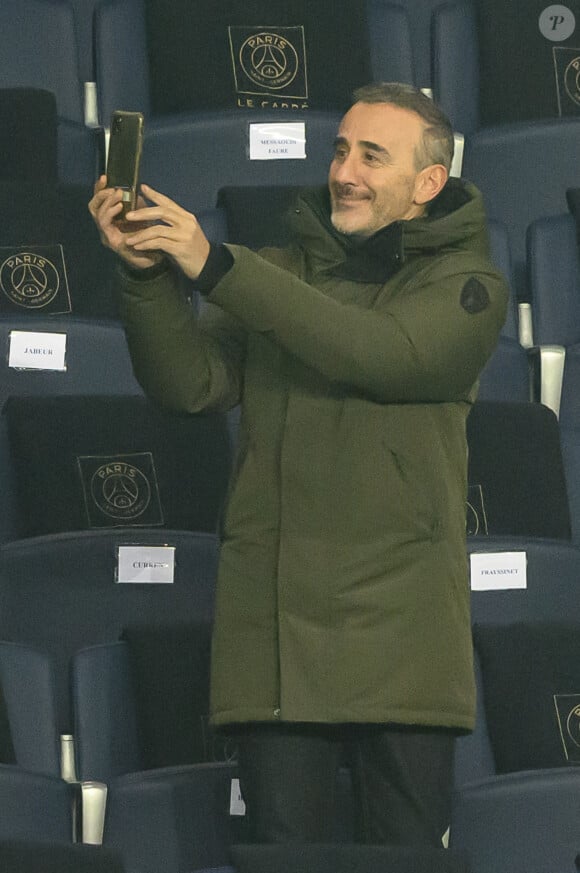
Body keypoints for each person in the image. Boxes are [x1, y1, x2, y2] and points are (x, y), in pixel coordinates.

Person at [89, 82, 508, 848]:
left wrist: (215, 264)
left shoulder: (467, 284)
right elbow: (191, 384)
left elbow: (380, 354)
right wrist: (147, 274)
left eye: (372, 156)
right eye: (340, 149)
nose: (344, 171)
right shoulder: (277, 272)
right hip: (277, 639)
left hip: (405, 637)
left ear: (428, 183)